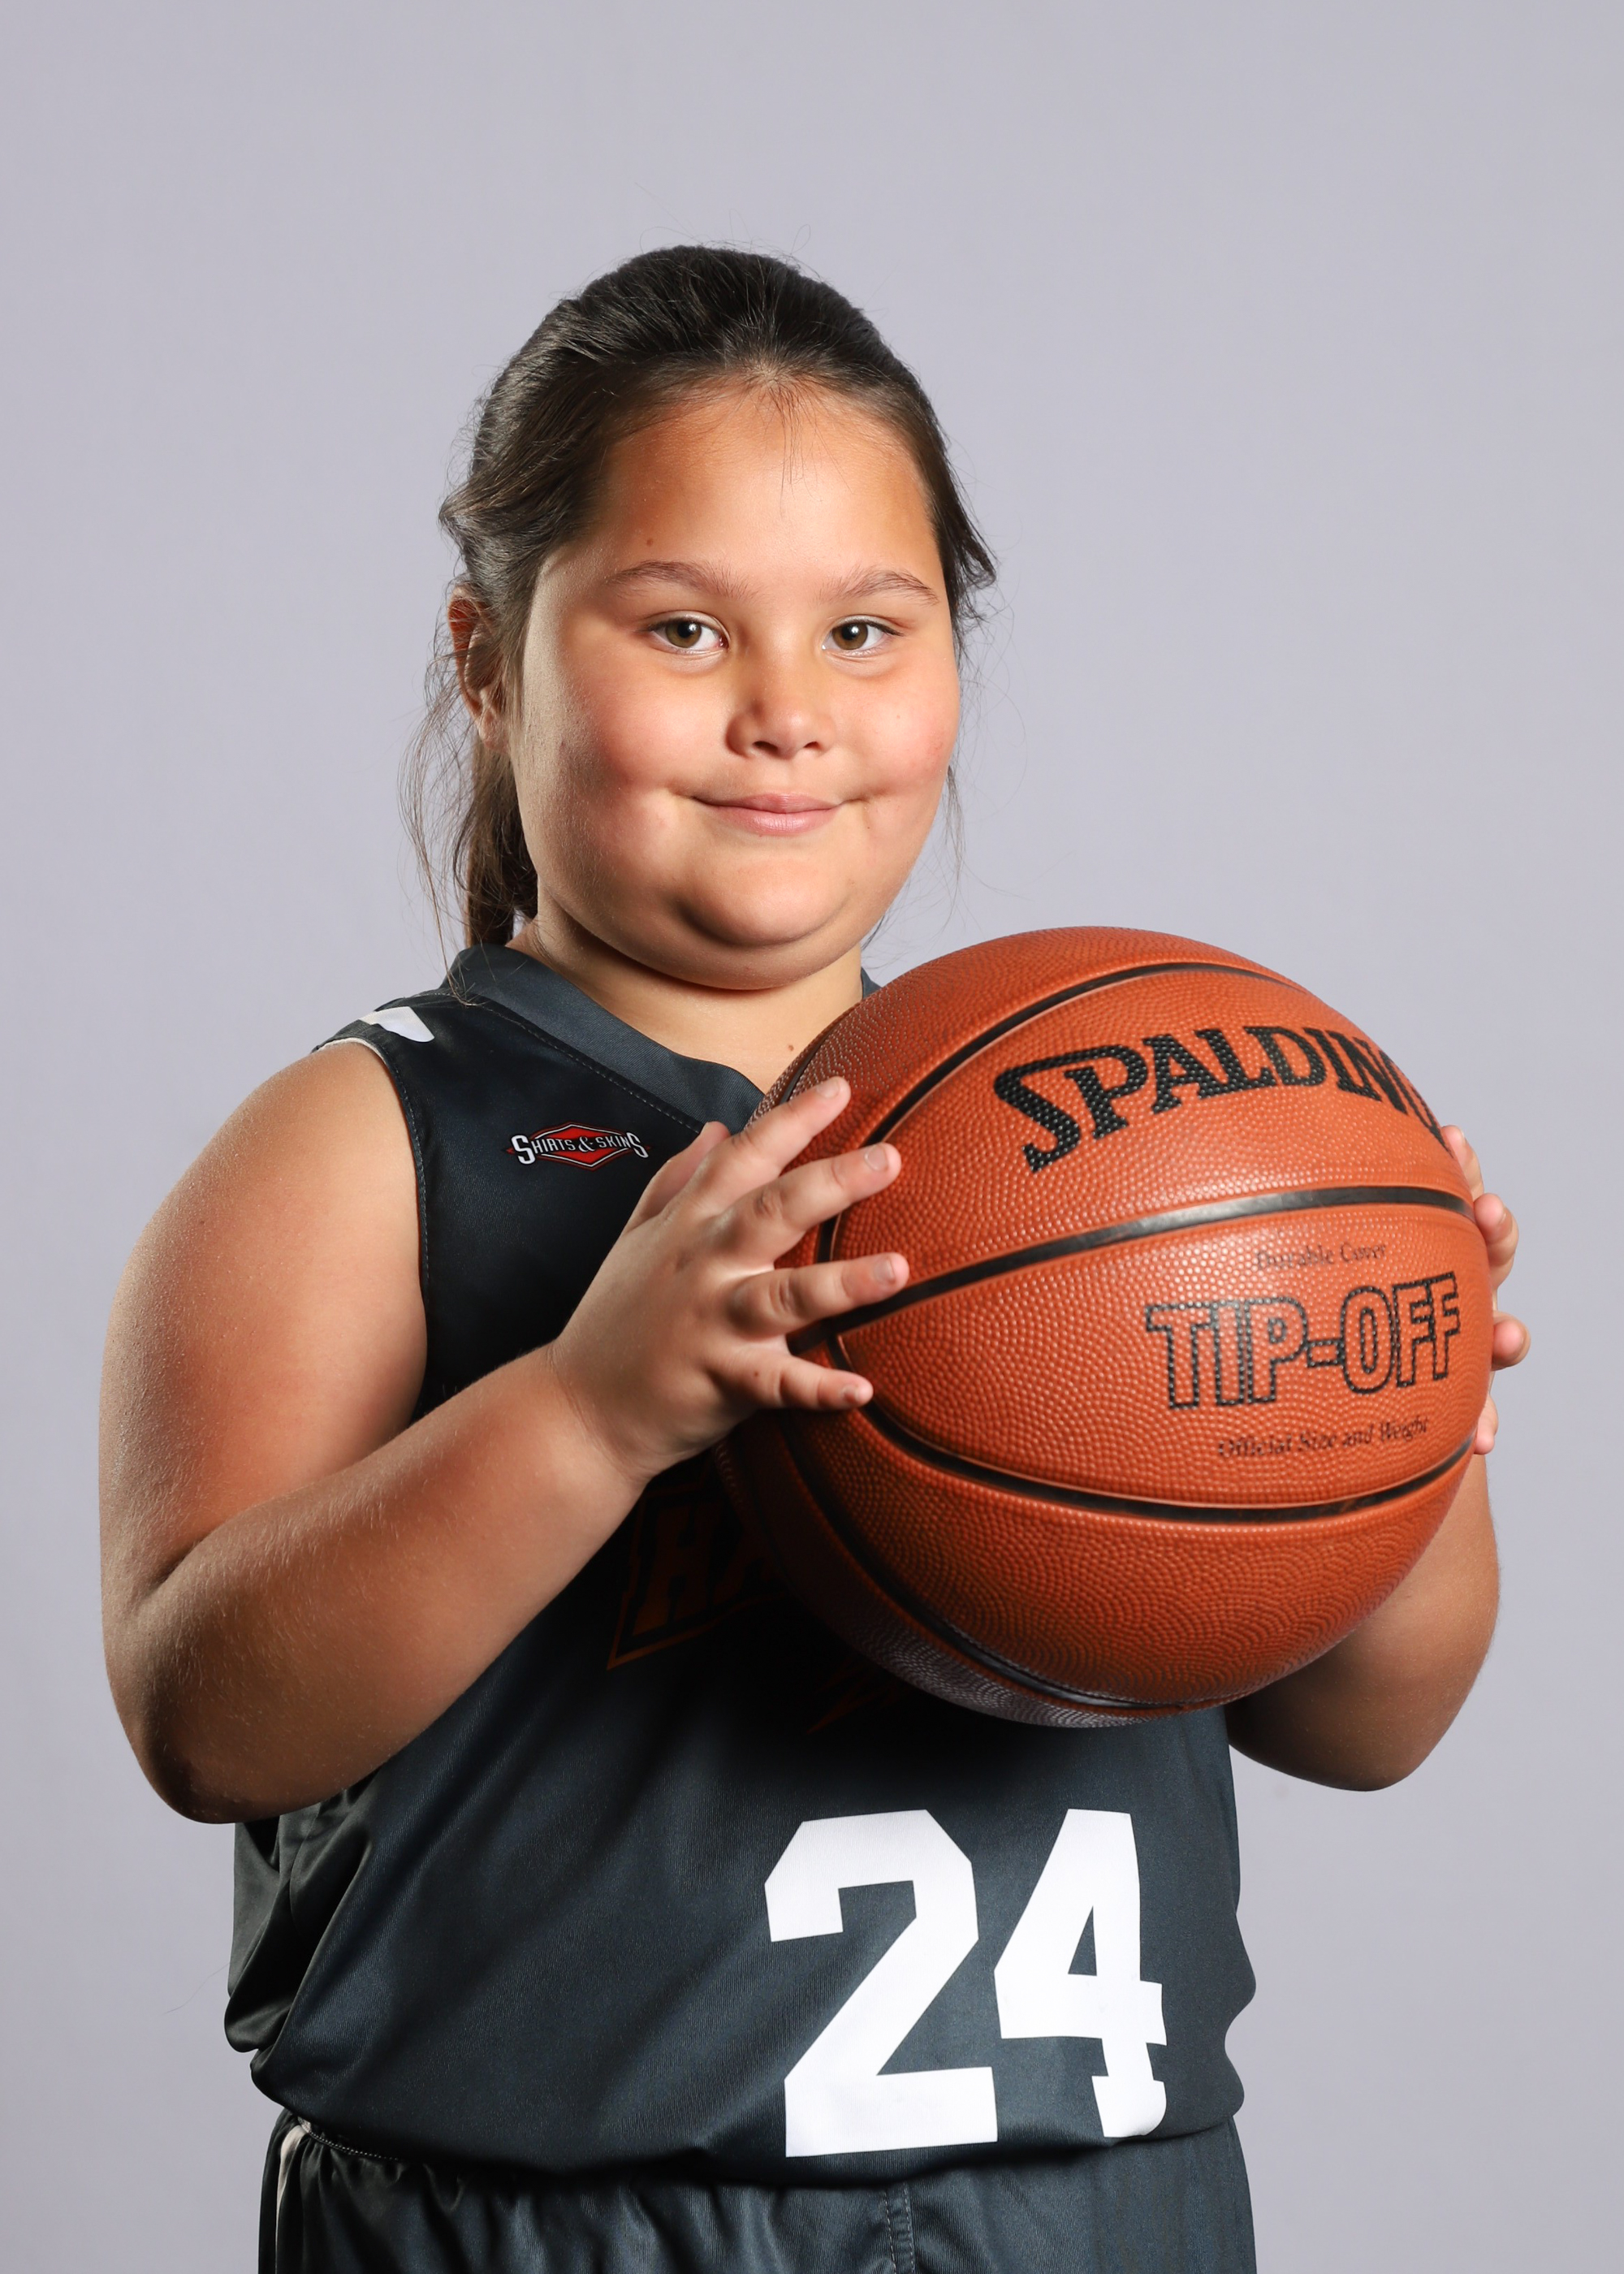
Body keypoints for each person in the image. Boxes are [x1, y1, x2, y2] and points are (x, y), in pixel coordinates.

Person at [99, 247, 1527, 2274]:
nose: (786, 712)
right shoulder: (367, 1143)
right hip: (551, 2226)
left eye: (865, 628)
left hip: (1094, 2207)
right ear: (489, 662)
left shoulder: (1118, 1150)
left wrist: (1388, 1409)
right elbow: (206, 1719)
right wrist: (589, 1410)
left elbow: (1365, 1727)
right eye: (683, 627)